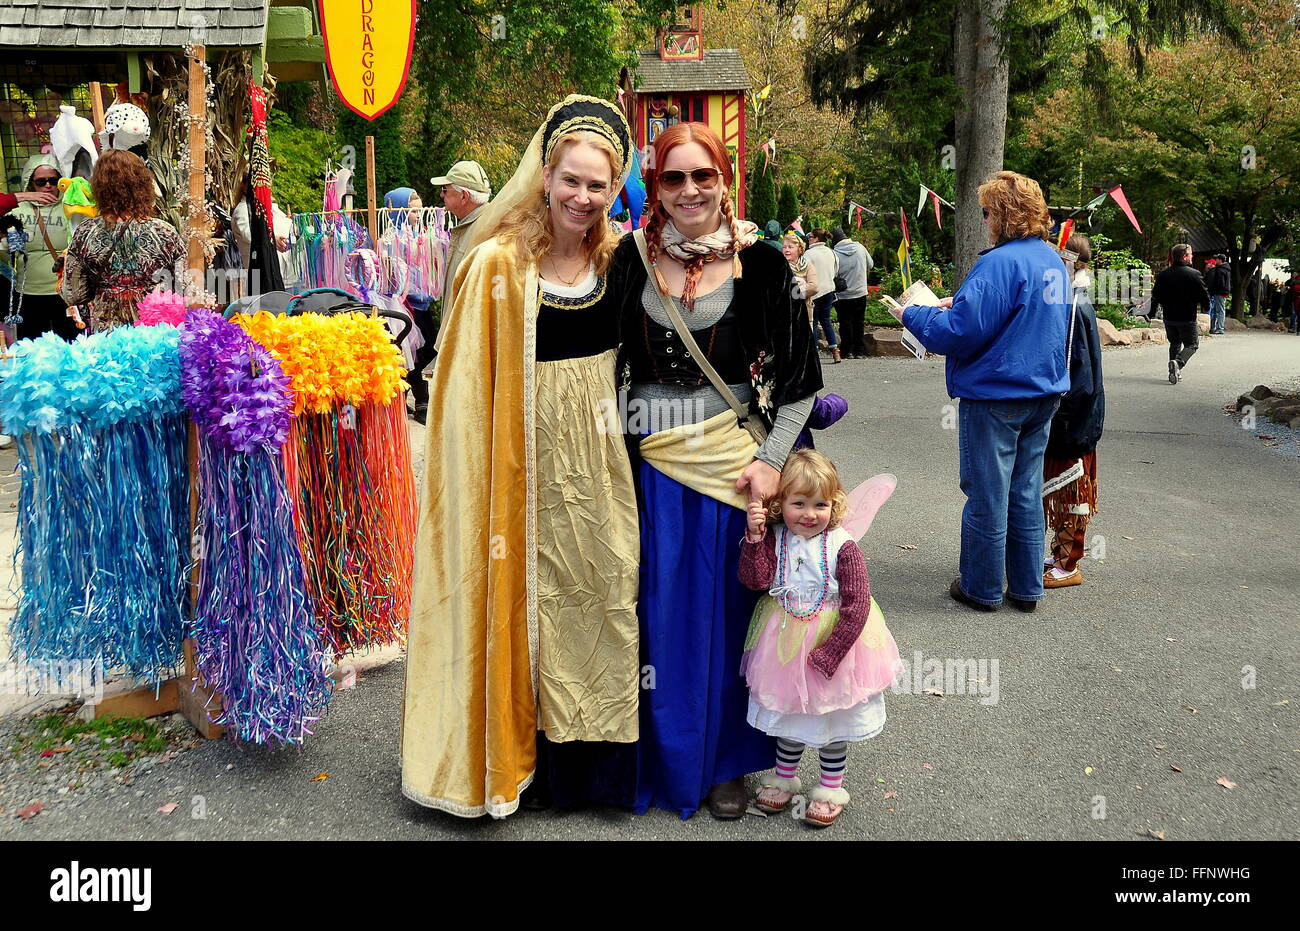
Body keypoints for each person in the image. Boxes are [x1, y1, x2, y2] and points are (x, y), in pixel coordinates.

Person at [401, 96, 641, 818]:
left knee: (603, 594)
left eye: (598, 185)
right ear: (546, 175)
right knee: (525, 599)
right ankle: (517, 759)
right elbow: (464, 393)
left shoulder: (619, 258)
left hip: (601, 463)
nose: (582, 196)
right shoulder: (499, 264)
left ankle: (591, 772)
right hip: (521, 464)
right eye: (571, 180)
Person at [609, 121, 823, 819]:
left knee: (733, 620)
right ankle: (663, 756)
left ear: (725, 181)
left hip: (735, 473)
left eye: (704, 175)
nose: (690, 189)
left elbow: (799, 383)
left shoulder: (762, 267)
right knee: (658, 620)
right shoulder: (628, 263)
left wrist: (769, 464)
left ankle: (730, 761)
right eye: (674, 177)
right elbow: (598, 362)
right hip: (649, 470)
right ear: (656, 188)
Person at [901, 170, 1069, 613]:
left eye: (988, 211)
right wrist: (958, 305)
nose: (986, 219)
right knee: (1026, 491)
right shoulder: (1052, 260)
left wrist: (914, 314)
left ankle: (981, 587)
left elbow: (960, 333)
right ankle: (1027, 586)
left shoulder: (998, 262)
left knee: (988, 495)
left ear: (1004, 214)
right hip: (1042, 391)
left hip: (997, 394)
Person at [738, 449, 900, 828]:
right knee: (791, 713)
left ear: (834, 504)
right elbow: (756, 580)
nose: (809, 514)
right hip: (783, 641)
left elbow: (858, 603)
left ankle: (830, 786)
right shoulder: (775, 538)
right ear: (781, 504)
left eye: (820, 504)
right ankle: (783, 776)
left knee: (831, 718)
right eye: (798, 504)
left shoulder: (842, 545)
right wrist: (755, 538)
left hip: (834, 643)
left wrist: (834, 651)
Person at [60, 149, 185, 332]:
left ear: (98, 187)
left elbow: (73, 294)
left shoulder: (85, 232)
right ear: (143, 185)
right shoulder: (164, 231)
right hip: (156, 332)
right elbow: (185, 287)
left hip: (108, 337)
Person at [1042, 234, 1105, 589]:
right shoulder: (1072, 299)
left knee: (1072, 492)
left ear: (1069, 261)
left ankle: (1070, 563)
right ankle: (1062, 553)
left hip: (1073, 417)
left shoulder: (1071, 305)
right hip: (1078, 413)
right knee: (1064, 489)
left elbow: (1076, 373)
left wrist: (1057, 412)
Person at [0, 155, 76, 341]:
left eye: (53, 180)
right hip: (28, 292)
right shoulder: (16, 211)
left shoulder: (72, 207)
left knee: (72, 344)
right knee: (32, 347)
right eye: (41, 182)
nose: (48, 186)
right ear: (30, 182)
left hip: (66, 292)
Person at [383, 187, 437, 424]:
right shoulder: (390, 238)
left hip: (422, 303)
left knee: (427, 348)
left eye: (419, 210)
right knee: (409, 352)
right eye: (412, 210)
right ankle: (418, 398)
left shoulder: (420, 235)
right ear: (398, 211)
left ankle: (411, 393)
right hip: (404, 305)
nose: (418, 215)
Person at [431, 159, 492, 314]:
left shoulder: (485, 229)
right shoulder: (477, 224)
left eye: (445, 190)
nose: (441, 194)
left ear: (464, 196)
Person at [1150, 244, 1209, 384]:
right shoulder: (1194, 274)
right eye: (1190, 254)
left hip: (1169, 316)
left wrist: (1152, 312)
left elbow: (1156, 295)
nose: (1192, 256)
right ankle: (1178, 363)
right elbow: (1204, 294)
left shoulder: (1164, 274)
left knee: (1175, 343)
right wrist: (1206, 308)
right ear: (1184, 256)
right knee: (1192, 344)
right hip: (1187, 316)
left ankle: (1174, 371)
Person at [832, 228, 873, 359]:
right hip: (860, 291)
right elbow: (871, 264)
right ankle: (859, 351)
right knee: (859, 321)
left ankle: (846, 351)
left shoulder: (834, 254)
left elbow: (833, 273)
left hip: (843, 295)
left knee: (845, 323)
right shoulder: (860, 248)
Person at [806, 228, 840, 363]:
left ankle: (813, 354)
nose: (808, 238)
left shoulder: (809, 254)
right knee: (826, 321)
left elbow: (804, 271)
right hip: (829, 290)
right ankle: (835, 351)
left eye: (811, 236)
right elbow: (836, 271)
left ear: (816, 239)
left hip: (815, 292)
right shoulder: (832, 253)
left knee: (812, 322)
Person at [781, 231, 819, 330]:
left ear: (799, 249)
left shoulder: (807, 265)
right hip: (783, 314)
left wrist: (795, 290)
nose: (786, 250)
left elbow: (814, 287)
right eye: (784, 247)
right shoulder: (779, 266)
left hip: (804, 313)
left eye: (790, 247)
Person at [1205, 253, 1230, 335]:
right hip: (1222, 292)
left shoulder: (1220, 270)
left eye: (1217, 259)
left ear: (1220, 260)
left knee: (1220, 311)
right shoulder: (1225, 269)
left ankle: (1220, 328)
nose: (1216, 261)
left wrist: (1214, 290)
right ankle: (1214, 327)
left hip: (1219, 292)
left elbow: (1220, 283)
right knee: (1217, 310)